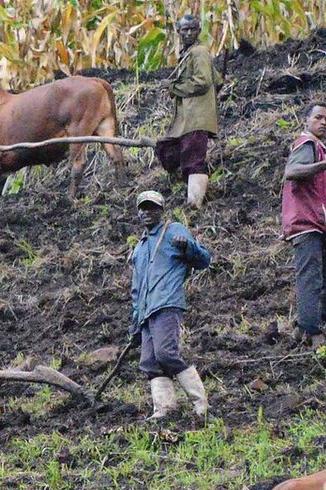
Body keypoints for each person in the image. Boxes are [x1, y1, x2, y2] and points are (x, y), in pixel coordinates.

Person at [129, 190, 213, 422]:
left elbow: (204, 260)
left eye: (152, 207)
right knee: (149, 361)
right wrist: (135, 324)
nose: (147, 212)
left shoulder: (173, 230)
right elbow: (136, 289)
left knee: (166, 353)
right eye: (143, 208)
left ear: (161, 210)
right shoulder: (139, 249)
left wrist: (188, 247)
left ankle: (201, 404)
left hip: (167, 304)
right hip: (146, 312)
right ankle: (164, 409)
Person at [281, 103, 326, 348]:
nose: (323, 123)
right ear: (306, 120)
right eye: (318, 118)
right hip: (305, 224)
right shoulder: (306, 144)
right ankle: (312, 332)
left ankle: (306, 325)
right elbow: (292, 171)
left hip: (316, 227)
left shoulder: (318, 149)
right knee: (310, 279)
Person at [155, 14, 219, 209]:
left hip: (196, 117)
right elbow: (216, 79)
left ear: (199, 31)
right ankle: (189, 187)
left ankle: (194, 204)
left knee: (193, 159)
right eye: (185, 29)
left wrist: (174, 87)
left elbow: (203, 81)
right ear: (178, 31)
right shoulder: (188, 54)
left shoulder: (199, 52)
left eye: (193, 29)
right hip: (186, 118)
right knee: (168, 151)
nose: (189, 33)